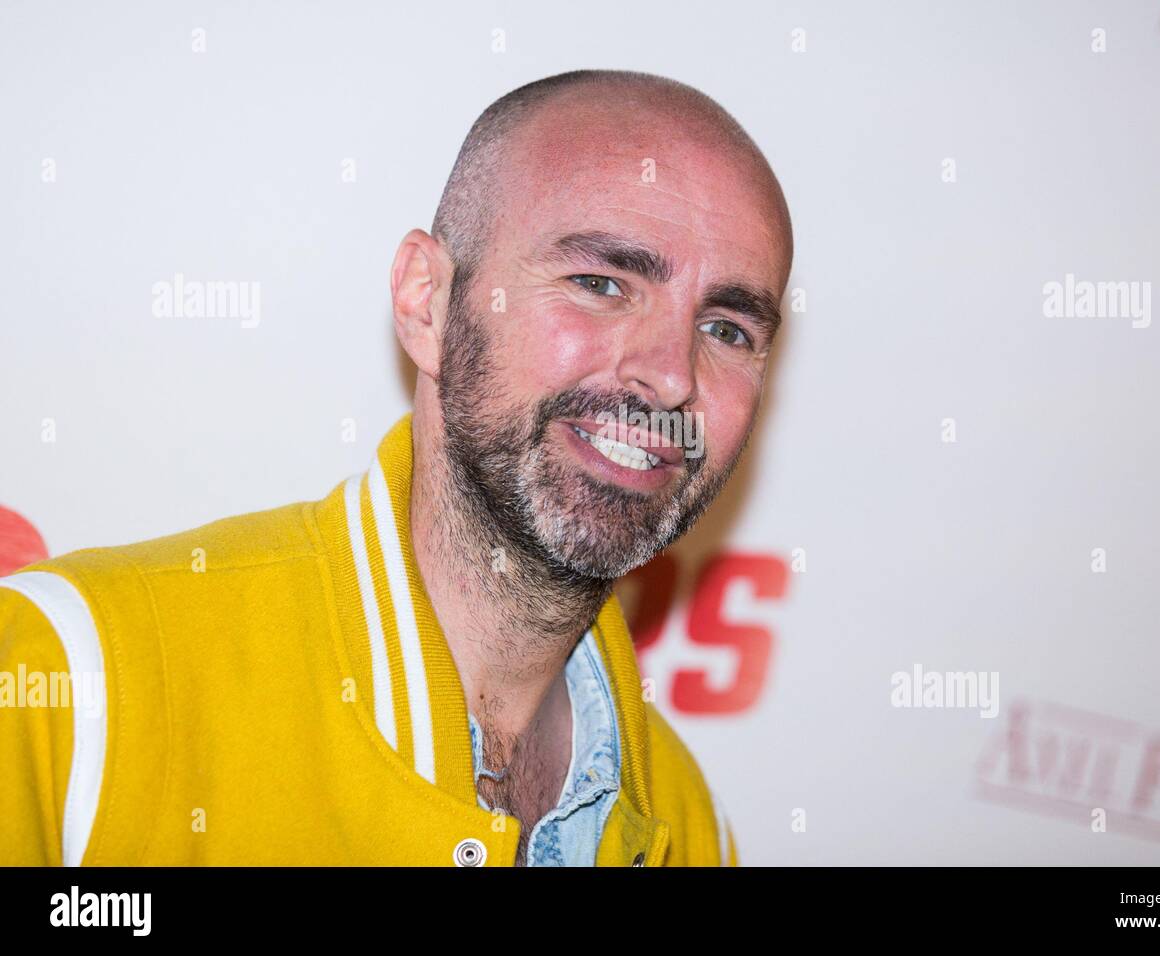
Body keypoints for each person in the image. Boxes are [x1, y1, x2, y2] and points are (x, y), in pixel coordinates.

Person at [0, 68, 794, 866]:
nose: (671, 376)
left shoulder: (686, 822)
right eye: (600, 283)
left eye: (727, 329)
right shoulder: (70, 686)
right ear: (427, 302)